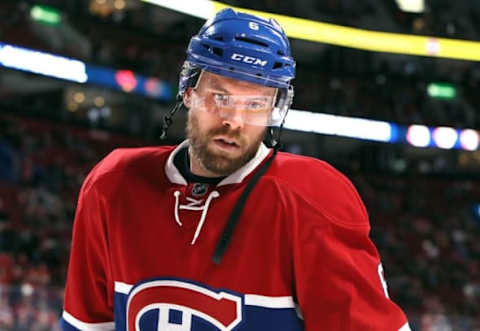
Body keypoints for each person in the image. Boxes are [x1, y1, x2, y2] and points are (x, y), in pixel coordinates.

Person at [60, 8, 411, 331]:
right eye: (220, 96)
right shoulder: (112, 184)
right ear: (188, 90)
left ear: (275, 109)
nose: (234, 121)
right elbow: (89, 324)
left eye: (255, 104)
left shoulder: (311, 199)